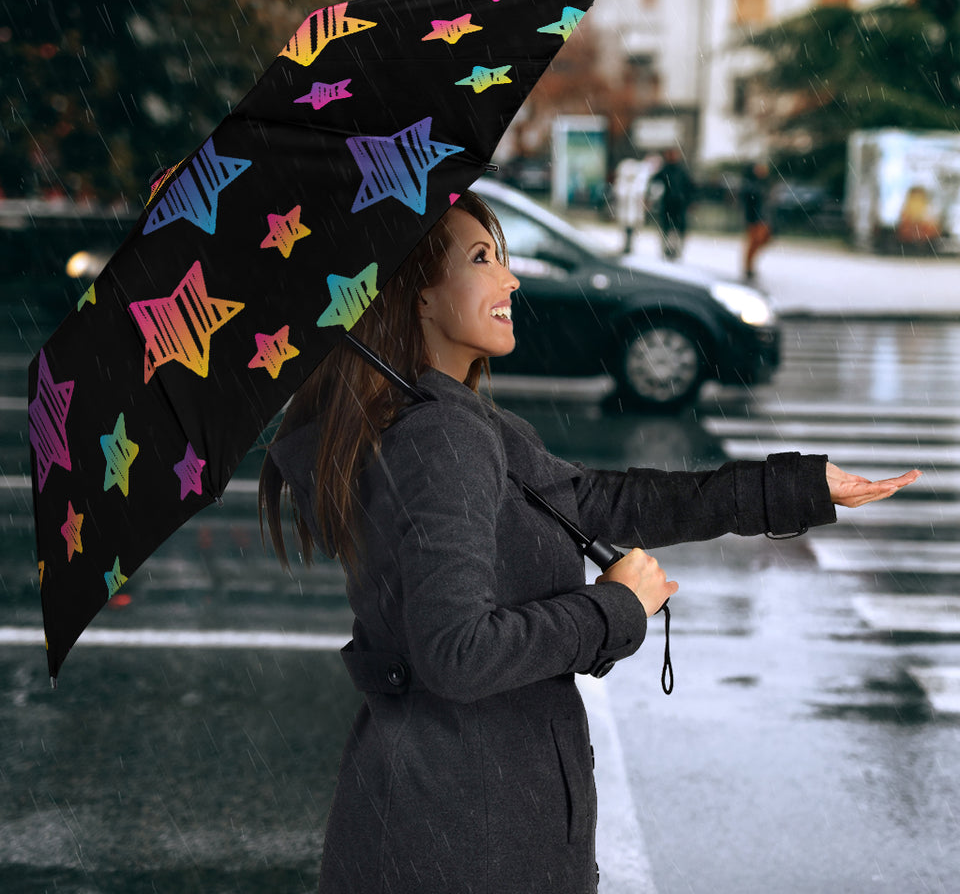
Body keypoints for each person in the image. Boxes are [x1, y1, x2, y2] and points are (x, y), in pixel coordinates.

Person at [259, 191, 919, 894]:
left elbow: (603, 501)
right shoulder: (439, 437)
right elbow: (456, 654)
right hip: (465, 836)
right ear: (418, 297)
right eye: (482, 259)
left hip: (454, 817)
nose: (510, 279)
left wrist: (795, 488)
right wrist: (613, 607)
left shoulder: (451, 422)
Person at [648, 147, 695, 261]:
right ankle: (667, 249)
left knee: (677, 229)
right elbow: (654, 183)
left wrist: (690, 201)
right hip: (668, 204)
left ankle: (675, 250)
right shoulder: (665, 170)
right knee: (667, 228)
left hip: (679, 205)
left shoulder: (681, 171)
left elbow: (690, 187)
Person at [741, 160, 773, 281]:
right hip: (755, 218)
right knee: (754, 242)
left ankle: (750, 265)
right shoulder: (751, 184)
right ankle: (748, 267)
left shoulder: (763, 183)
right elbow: (750, 199)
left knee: (762, 240)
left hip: (763, 217)